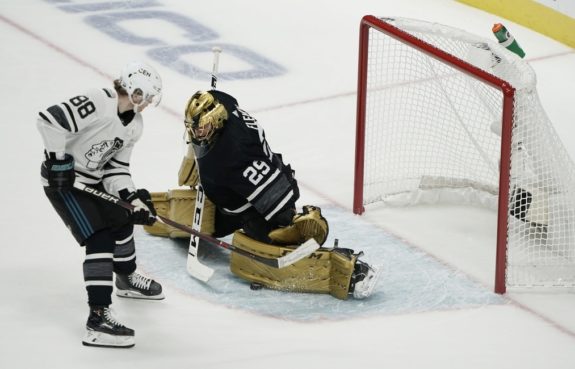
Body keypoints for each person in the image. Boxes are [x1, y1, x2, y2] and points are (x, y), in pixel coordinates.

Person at [145, 90, 379, 300]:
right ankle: (289, 226)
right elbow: (221, 103)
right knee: (192, 213)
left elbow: (274, 193)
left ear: (215, 120)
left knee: (263, 252)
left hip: (256, 206)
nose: (196, 133)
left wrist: (282, 224)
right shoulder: (222, 102)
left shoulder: (231, 157)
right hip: (250, 186)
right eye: (193, 128)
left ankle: (349, 272)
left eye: (200, 128)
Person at [37, 61, 164, 348]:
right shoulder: (98, 101)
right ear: (136, 92)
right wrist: (58, 162)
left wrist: (132, 199)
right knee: (100, 238)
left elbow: (116, 170)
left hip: (92, 182)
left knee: (122, 218)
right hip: (65, 184)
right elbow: (49, 119)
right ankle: (98, 318)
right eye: (148, 97)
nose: (149, 104)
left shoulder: (135, 125)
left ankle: (126, 277)